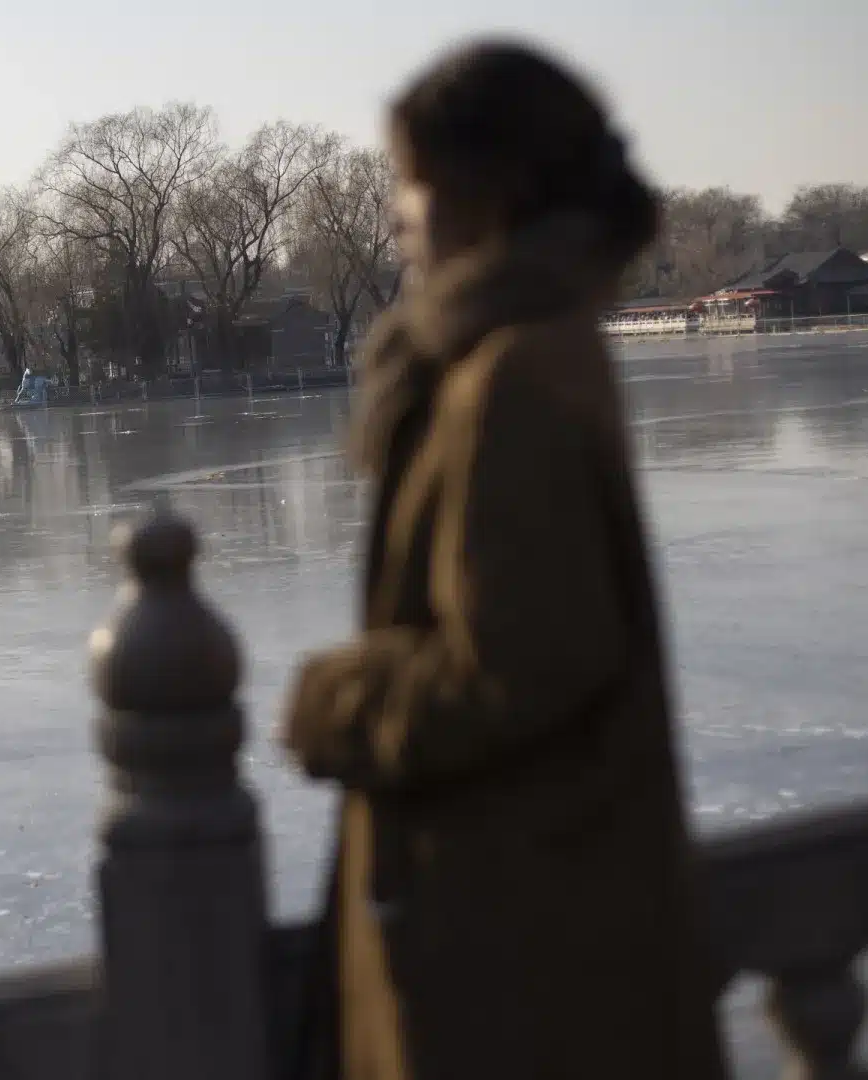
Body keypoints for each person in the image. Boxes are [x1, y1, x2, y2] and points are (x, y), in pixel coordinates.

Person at [279, 42, 724, 1080]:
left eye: (411, 182)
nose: (396, 213)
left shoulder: (511, 377)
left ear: (490, 195)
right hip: (537, 927)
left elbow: (519, 664)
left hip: (517, 962)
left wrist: (334, 703)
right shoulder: (528, 349)